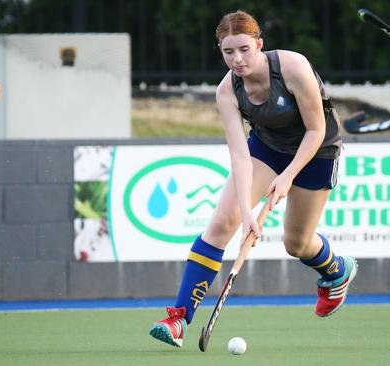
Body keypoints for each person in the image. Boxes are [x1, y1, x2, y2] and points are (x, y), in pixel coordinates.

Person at [149, 10, 358, 348]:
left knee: (297, 244)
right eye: (228, 51)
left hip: (316, 150)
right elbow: (239, 155)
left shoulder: (292, 67)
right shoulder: (227, 92)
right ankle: (178, 319)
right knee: (222, 223)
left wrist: (288, 177)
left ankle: (336, 271)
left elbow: (317, 129)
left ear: (259, 44)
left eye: (244, 49)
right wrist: (247, 211)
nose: (237, 59)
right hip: (267, 148)